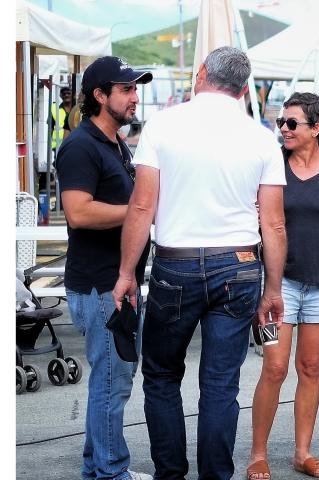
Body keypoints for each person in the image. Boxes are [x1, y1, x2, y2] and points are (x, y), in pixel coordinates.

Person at [111, 46, 287, 480]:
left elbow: (141, 207)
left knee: (162, 377)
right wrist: (274, 289)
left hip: (177, 265)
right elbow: (275, 225)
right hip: (241, 264)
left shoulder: (165, 125)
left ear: (202, 73)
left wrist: (126, 273)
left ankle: (170, 475)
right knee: (221, 386)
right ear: (244, 89)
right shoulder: (263, 137)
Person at [247, 92, 319, 480]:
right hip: (276, 286)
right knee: (275, 367)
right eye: (281, 122)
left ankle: (302, 452)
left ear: (316, 128)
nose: (283, 129)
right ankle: (258, 455)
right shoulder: (270, 166)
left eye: (292, 123)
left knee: (311, 367)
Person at [56, 56, 154, 480]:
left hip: (115, 282)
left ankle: (97, 468)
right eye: (126, 89)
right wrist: (140, 210)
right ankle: (112, 472)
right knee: (112, 384)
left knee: (109, 382)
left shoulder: (116, 142)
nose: (135, 97)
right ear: (100, 96)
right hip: (100, 287)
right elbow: (77, 213)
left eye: (136, 88)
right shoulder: (81, 146)